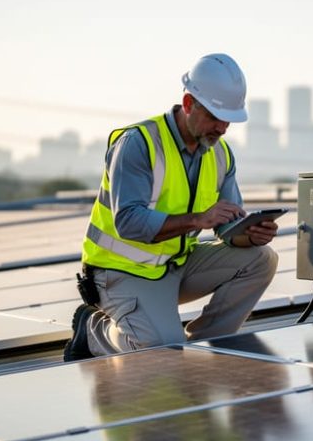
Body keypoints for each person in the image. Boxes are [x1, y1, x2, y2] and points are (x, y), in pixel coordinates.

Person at [64, 53, 279, 361]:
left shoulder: (220, 155)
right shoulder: (139, 143)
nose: (221, 128)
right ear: (189, 104)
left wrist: (250, 235)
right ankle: (94, 330)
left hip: (175, 266)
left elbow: (227, 229)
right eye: (214, 116)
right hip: (122, 272)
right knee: (159, 351)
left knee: (262, 259)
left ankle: (199, 347)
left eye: (228, 119)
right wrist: (197, 219)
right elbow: (129, 222)